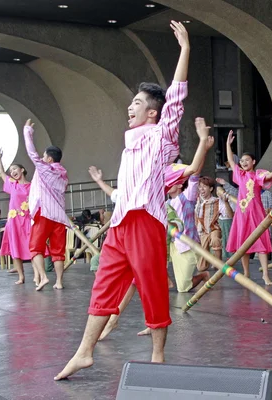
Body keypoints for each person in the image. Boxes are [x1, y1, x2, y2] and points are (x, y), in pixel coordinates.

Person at [54, 21, 190, 380]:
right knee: (103, 286)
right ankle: (84, 352)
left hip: (146, 221)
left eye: (137, 103)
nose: (130, 106)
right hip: (120, 223)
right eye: (131, 102)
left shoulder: (162, 135)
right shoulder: (131, 140)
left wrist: (185, 50)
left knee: (152, 286)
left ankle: (158, 355)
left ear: (152, 113)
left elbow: (175, 98)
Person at [91, 118, 214, 341]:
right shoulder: (143, 171)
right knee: (138, 280)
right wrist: (100, 181)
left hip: (167, 235)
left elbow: (194, 170)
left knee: (163, 283)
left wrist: (203, 142)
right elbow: (116, 195)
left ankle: (139, 322)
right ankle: (123, 320)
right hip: (145, 232)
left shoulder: (177, 181)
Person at [225, 131, 272, 286]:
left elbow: (268, 177)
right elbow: (231, 160)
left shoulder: (257, 175)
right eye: (242, 160)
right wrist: (228, 145)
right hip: (242, 214)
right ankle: (246, 272)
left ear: (253, 162)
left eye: (247, 160)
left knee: (261, 243)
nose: (243, 162)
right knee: (243, 245)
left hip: (256, 213)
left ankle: (265, 274)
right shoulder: (240, 175)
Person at [23, 119, 69, 291]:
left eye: (44, 156)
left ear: (49, 158)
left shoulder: (46, 169)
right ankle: (59, 281)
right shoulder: (63, 174)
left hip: (43, 212)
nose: (42, 159)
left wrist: (27, 132)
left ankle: (42, 277)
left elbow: (32, 153)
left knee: (35, 247)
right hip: (59, 215)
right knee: (58, 250)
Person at [0, 149, 33, 285]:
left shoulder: (31, 186)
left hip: (27, 219)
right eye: (11, 170)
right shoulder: (12, 184)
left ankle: (38, 275)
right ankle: (21, 276)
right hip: (14, 221)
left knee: (32, 247)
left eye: (15, 169)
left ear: (22, 170)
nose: (12, 172)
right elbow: (1, 172)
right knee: (15, 247)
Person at [195, 176, 233, 270]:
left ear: (211, 188)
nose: (201, 189)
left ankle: (218, 262)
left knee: (215, 239)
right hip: (202, 231)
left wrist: (226, 202)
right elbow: (195, 216)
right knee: (201, 268)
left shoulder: (217, 201)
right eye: (200, 187)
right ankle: (209, 261)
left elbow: (230, 215)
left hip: (213, 229)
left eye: (204, 186)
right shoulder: (197, 200)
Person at [215, 178, 236, 260]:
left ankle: (230, 260)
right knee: (220, 242)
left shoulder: (231, 200)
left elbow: (231, 215)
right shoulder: (216, 201)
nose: (219, 193)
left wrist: (226, 202)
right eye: (218, 191)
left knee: (229, 242)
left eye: (221, 191)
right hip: (220, 223)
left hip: (228, 223)